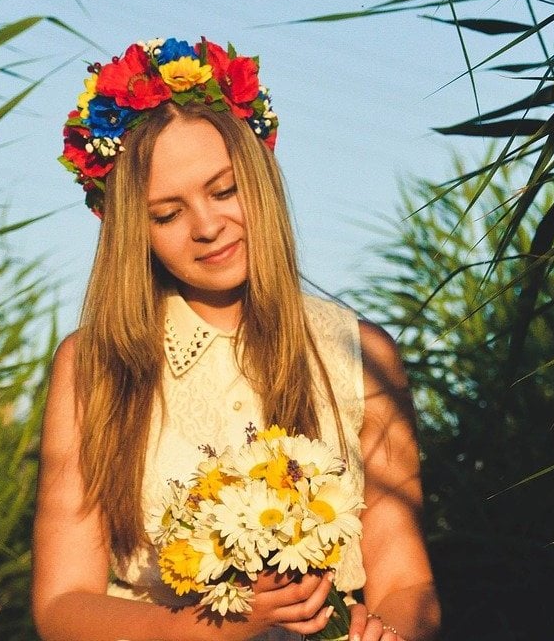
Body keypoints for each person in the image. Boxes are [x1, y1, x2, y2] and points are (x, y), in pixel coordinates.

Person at [32, 37, 440, 641]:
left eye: (224, 191)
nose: (207, 226)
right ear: (131, 231)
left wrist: (387, 634)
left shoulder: (362, 355)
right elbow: (63, 605)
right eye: (167, 214)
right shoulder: (95, 364)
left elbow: (406, 581)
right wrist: (222, 626)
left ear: (260, 178)